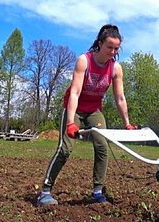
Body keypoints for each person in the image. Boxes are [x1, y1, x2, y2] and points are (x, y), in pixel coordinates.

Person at [37, 24, 137, 206]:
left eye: (116, 48)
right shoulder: (85, 60)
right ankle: (45, 191)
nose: (113, 52)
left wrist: (127, 123)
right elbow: (74, 92)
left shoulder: (116, 69)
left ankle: (97, 191)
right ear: (100, 43)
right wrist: (70, 122)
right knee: (65, 149)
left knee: (102, 147)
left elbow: (120, 97)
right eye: (109, 47)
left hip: (93, 111)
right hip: (73, 109)